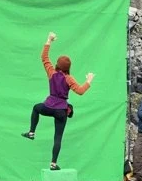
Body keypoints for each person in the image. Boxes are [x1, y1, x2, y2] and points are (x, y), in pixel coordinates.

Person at [22, 33, 94, 170]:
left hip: (48, 106)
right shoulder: (69, 78)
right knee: (58, 137)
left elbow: (44, 57)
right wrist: (89, 80)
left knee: (36, 108)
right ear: (68, 67)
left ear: (57, 65)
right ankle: (53, 164)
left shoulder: (52, 73)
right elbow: (80, 91)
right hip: (61, 110)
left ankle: (31, 132)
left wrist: (49, 40)